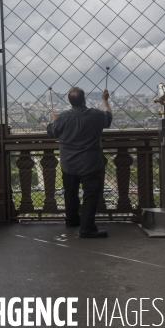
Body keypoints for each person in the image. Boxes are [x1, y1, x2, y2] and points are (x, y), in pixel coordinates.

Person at [47, 87, 112, 238]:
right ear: (84, 100)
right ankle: (87, 227)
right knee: (91, 194)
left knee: (70, 193)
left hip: (69, 163)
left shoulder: (63, 117)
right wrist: (105, 100)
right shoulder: (95, 114)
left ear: (69, 101)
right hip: (91, 162)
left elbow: (51, 132)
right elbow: (108, 119)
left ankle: (72, 220)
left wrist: (53, 120)